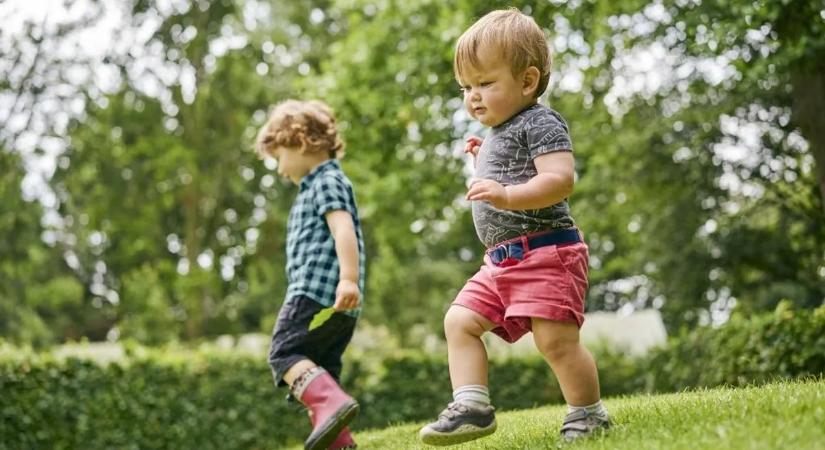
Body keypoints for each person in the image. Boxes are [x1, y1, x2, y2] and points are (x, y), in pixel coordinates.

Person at [419, 8, 610, 446]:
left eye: (485, 83)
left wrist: (506, 194)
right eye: (466, 87)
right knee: (459, 322)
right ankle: (472, 406)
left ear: (527, 82)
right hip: (500, 263)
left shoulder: (541, 122)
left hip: (547, 253)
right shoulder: (498, 133)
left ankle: (588, 413)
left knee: (555, 342)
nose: (473, 96)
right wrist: (481, 156)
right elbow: (511, 165)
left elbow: (560, 180)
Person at [255, 99, 365, 450]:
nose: (279, 169)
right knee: (321, 368)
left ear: (300, 141)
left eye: (279, 157)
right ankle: (339, 441)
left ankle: (330, 403)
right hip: (336, 304)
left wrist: (349, 278)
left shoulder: (325, 181)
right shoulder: (318, 185)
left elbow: (343, 230)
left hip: (316, 293)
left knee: (284, 353)